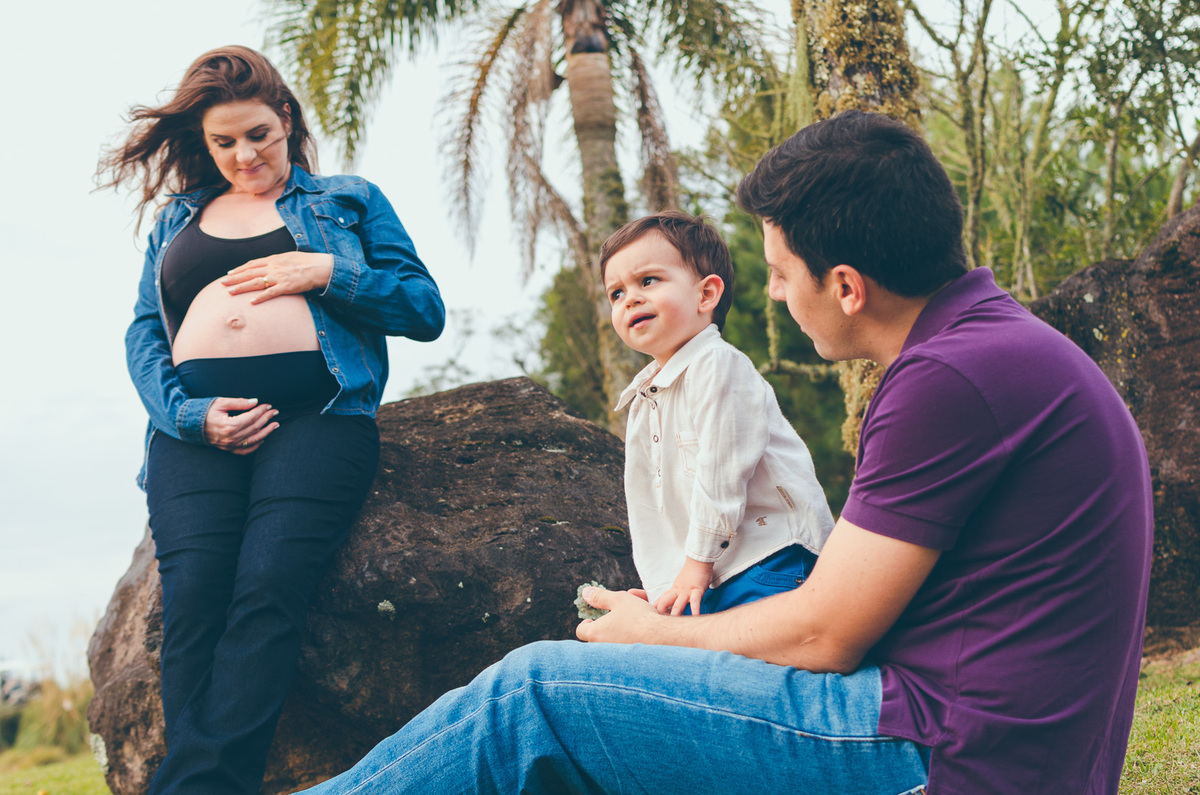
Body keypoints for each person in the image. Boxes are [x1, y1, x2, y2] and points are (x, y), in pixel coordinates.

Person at [296, 110, 1152, 795]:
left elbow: (825, 633)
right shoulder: (993, 346)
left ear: (847, 286)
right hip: (972, 735)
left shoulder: (948, 378)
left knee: (534, 696)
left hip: (939, 753)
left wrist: (647, 638)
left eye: (780, 272)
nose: (774, 291)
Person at [99, 46, 445, 795]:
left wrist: (326, 271)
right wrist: (189, 415)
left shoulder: (349, 199)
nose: (243, 153)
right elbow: (143, 333)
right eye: (224, 142)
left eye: (257, 133)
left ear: (285, 117)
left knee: (267, 586)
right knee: (193, 598)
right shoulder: (178, 217)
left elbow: (424, 308)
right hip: (194, 433)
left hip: (317, 417)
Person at [600, 212, 833, 616]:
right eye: (616, 293)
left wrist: (696, 565)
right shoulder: (643, 399)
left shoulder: (716, 364)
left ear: (706, 295)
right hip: (711, 574)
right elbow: (650, 506)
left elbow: (722, 473)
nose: (630, 298)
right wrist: (665, 586)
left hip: (773, 559)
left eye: (648, 281)